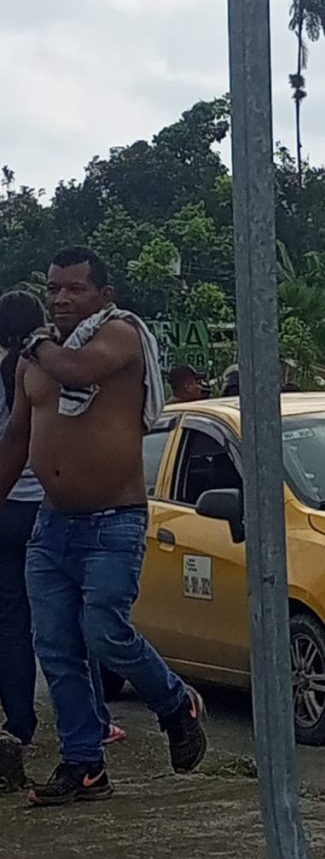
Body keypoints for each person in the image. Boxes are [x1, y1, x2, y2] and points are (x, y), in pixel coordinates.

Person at [0, 247, 207, 807]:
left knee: (104, 632)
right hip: (52, 525)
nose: (62, 298)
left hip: (113, 521)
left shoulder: (119, 337)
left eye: (74, 289)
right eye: (53, 289)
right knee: (57, 648)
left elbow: (77, 371)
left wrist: (36, 341)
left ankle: (175, 703)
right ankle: (84, 764)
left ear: (103, 295)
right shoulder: (30, 364)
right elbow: (18, 439)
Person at [0, 290, 46, 787]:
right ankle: (90, 721)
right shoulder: (44, 367)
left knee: (11, 617)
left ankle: (20, 723)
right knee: (63, 618)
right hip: (51, 502)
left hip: (8, 503)